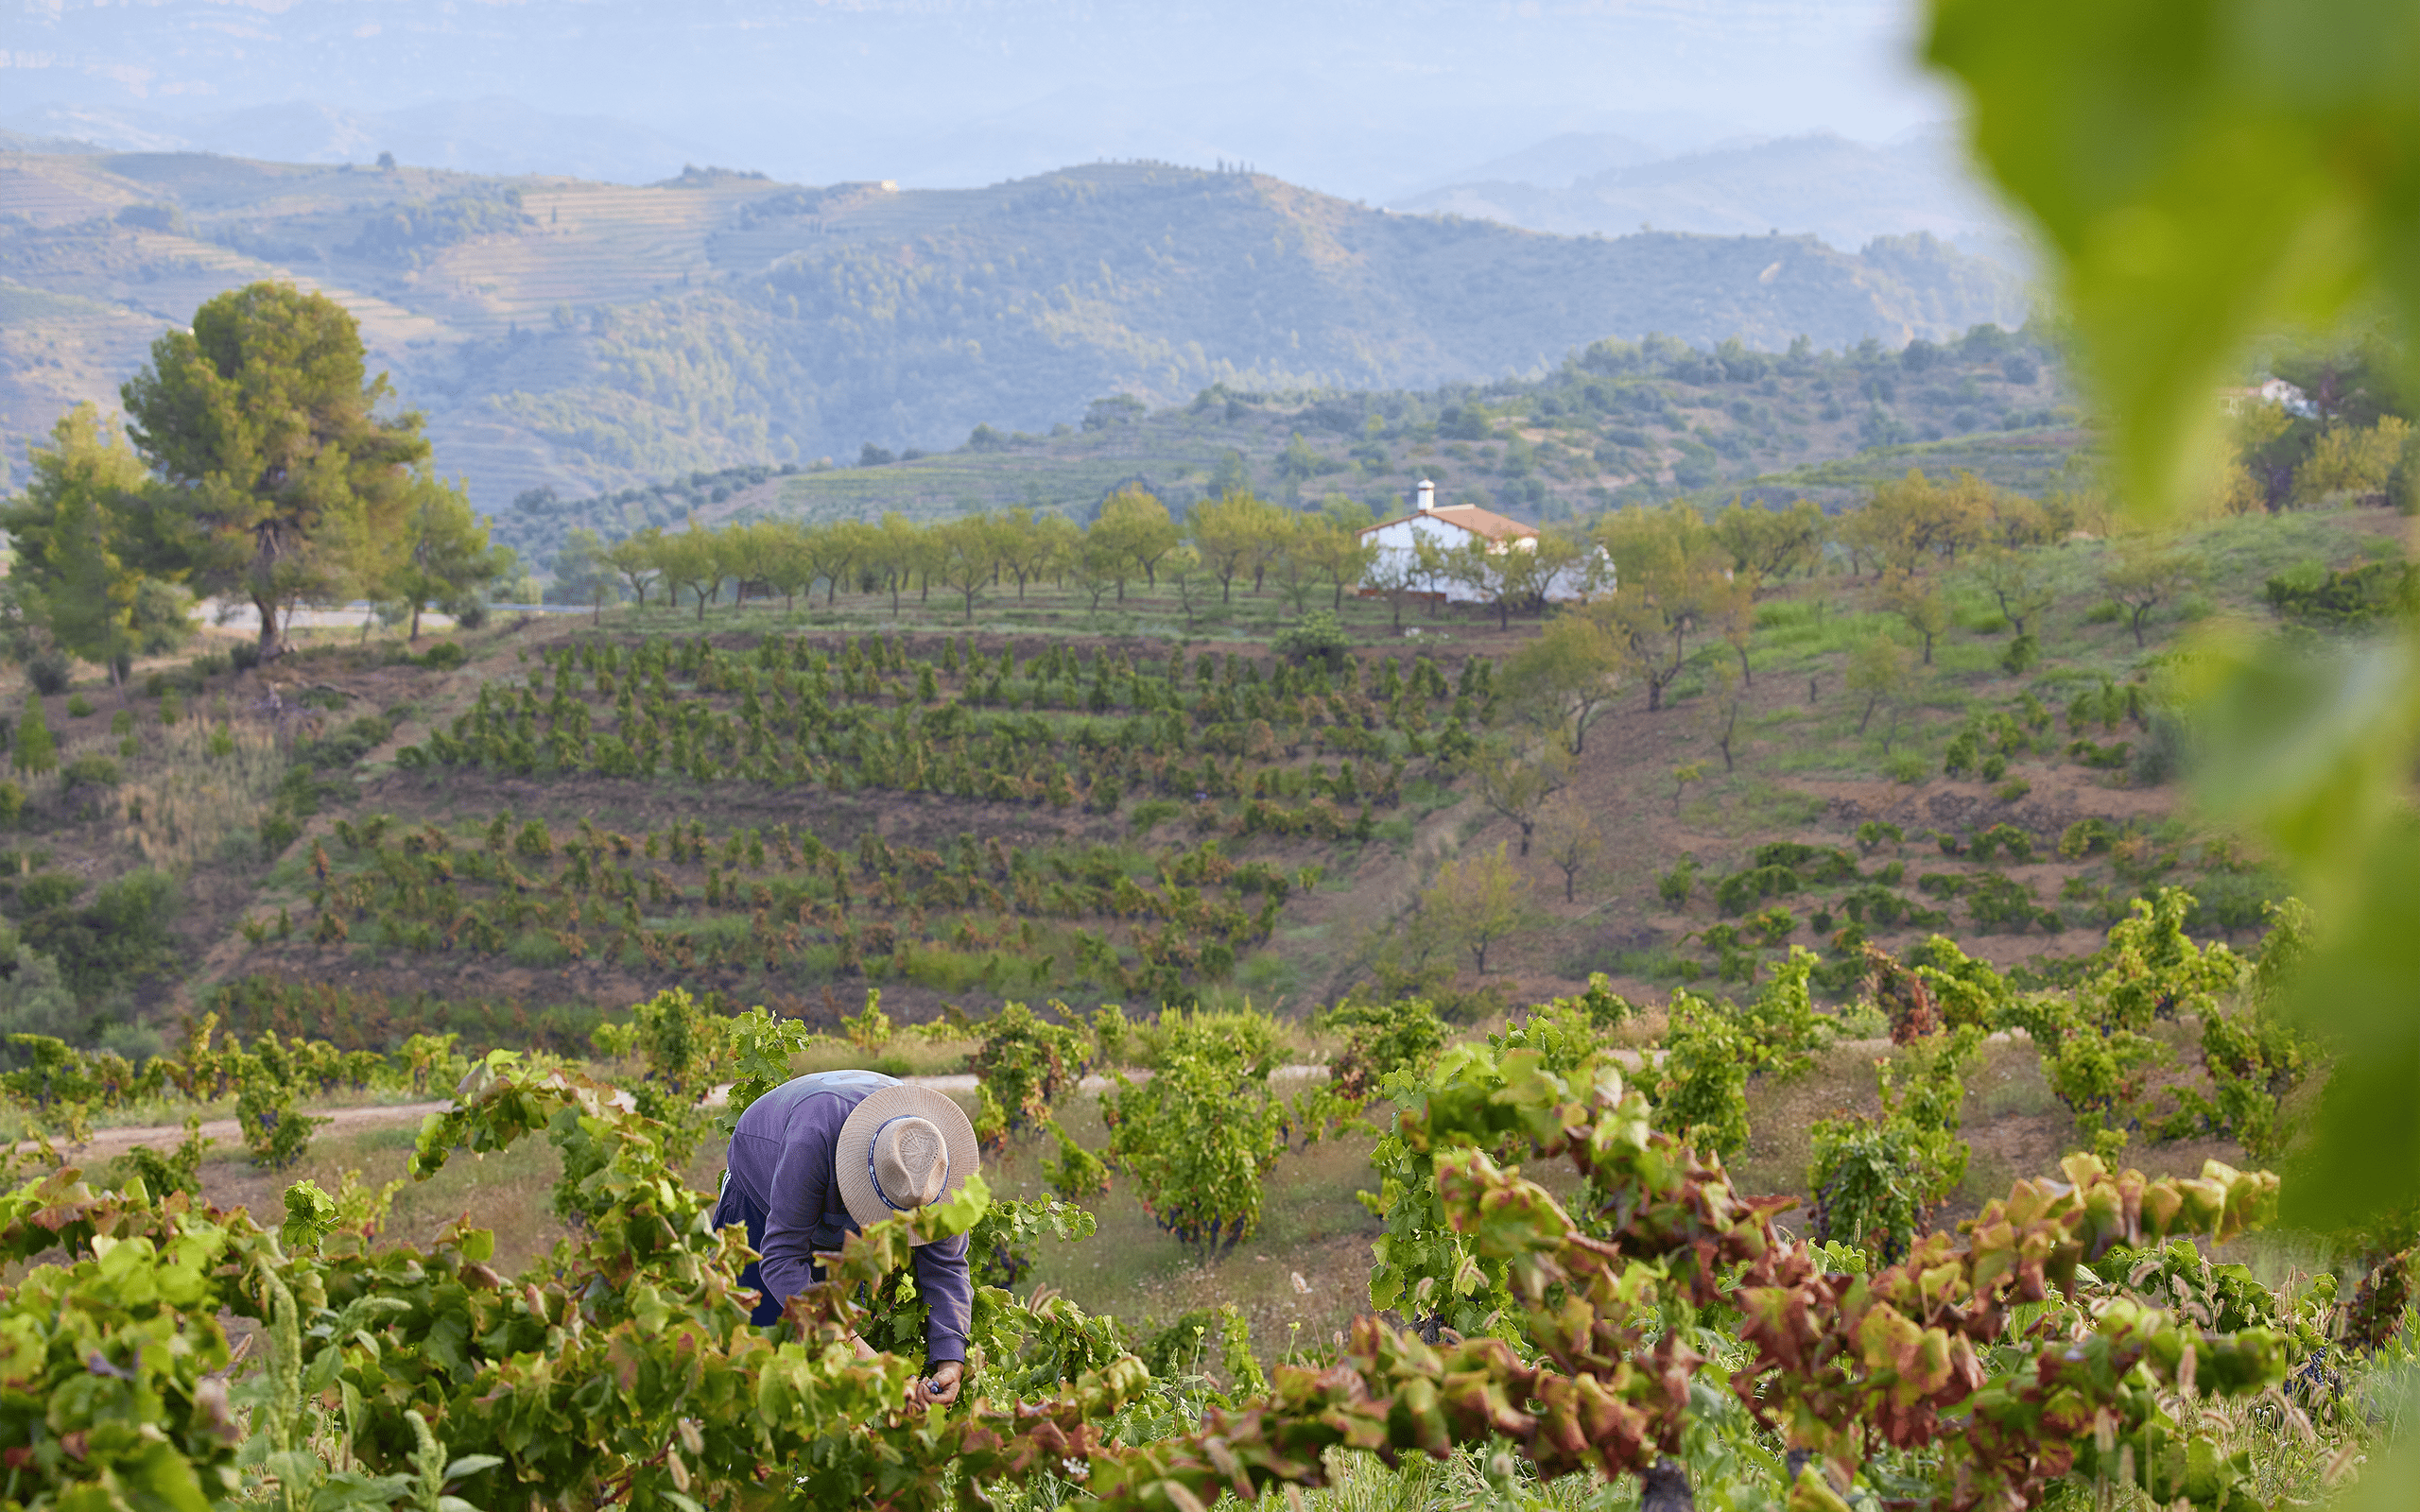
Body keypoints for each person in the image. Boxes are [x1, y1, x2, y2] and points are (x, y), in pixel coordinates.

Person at [713, 1069, 979, 1405]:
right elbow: (781, 1259)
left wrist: (951, 1360)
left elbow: (947, 1267)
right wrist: (865, 1355)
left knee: (830, 1375)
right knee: (747, 1350)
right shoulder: (812, 1140)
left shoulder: (930, 1164)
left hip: (831, 1181)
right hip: (759, 1195)